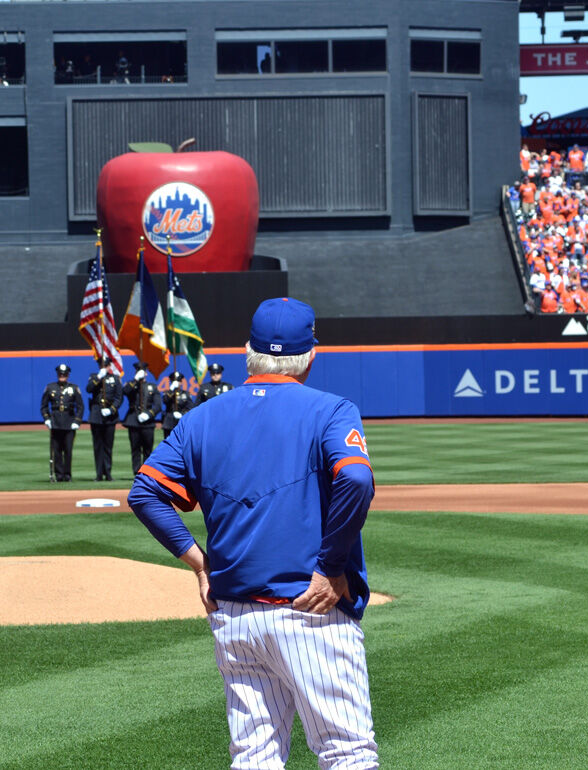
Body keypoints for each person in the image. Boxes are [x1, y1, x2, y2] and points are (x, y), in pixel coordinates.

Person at [128, 297, 378, 770]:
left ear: (248, 351)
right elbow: (356, 478)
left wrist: (200, 564)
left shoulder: (203, 416)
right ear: (310, 355)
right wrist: (330, 567)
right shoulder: (331, 410)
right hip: (310, 611)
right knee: (346, 753)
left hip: (235, 619)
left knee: (254, 756)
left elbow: (144, 494)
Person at [40, 363, 82, 482]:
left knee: (68, 450)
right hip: (56, 422)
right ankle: (59, 474)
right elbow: (43, 406)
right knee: (57, 451)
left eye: (64, 374)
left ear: (68, 375)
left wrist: (77, 421)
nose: (62, 376)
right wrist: (47, 418)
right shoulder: (50, 387)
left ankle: (67, 474)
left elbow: (80, 406)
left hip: (69, 422)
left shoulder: (74, 388)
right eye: (60, 374)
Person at [85, 356, 123, 481]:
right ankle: (98, 474)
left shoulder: (115, 379)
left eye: (106, 365)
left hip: (110, 417)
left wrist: (111, 409)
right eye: (102, 366)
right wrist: (99, 377)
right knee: (98, 446)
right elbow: (89, 389)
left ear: (110, 366)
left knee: (108, 446)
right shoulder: (94, 377)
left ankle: (108, 473)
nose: (105, 368)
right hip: (96, 415)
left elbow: (119, 398)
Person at [122, 361, 161, 475]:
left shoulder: (152, 387)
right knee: (135, 448)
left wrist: (149, 414)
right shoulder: (131, 385)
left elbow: (158, 405)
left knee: (148, 449)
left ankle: (147, 472)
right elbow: (125, 392)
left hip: (147, 422)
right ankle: (136, 472)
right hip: (133, 420)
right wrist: (135, 380)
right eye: (139, 371)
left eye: (143, 371)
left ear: (146, 373)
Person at [161, 370, 193, 439]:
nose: (177, 383)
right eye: (174, 381)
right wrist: (171, 389)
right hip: (169, 423)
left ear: (181, 382)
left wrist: (182, 414)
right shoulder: (167, 392)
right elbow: (165, 400)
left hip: (181, 422)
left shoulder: (186, 394)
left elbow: (190, 408)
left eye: (178, 381)